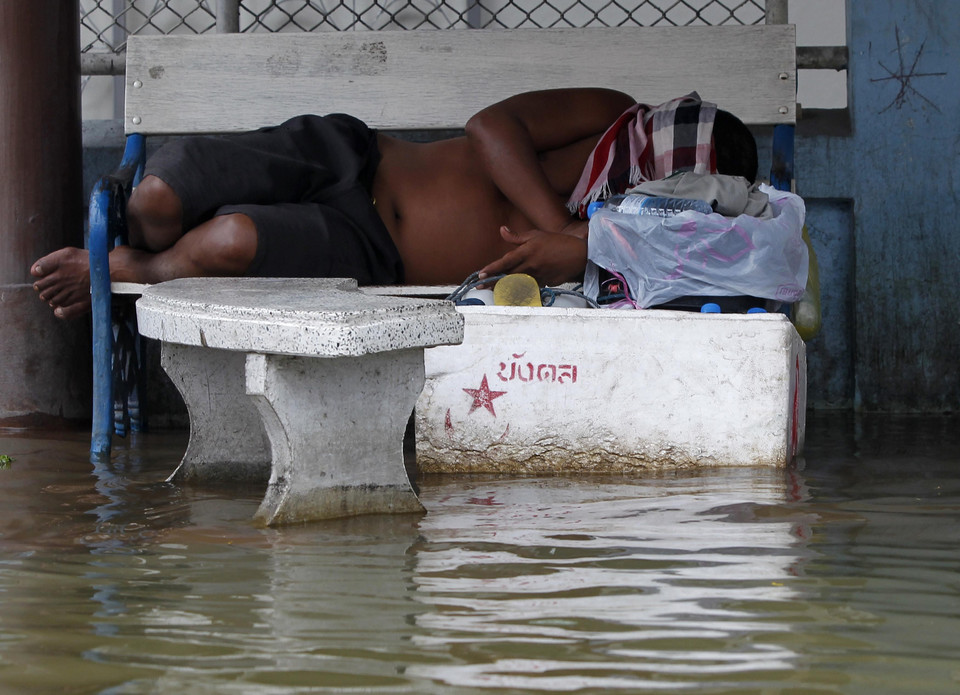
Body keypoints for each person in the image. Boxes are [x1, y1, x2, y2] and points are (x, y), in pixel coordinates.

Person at [31, 88, 757, 320]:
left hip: (372, 250)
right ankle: (137, 240)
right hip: (357, 154)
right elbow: (490, 128)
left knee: (228, 243)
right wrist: (561, 223)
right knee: (159, 195)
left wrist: (586, 243)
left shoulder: (631, 245)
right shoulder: (611, 116)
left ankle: (137, 272)